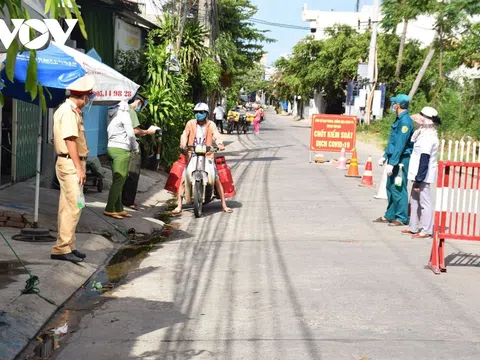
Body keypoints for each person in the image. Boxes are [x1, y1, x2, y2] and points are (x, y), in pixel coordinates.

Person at [51, 75, 95, 263]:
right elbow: (70, 141)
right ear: (84, 96)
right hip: (70, 165)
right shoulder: (68, 112)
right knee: (74, 207)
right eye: (89, 96)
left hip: (71, 164)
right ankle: (62, 248)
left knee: (69, 206)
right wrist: (79, 168)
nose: (89, 100)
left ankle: (68, 245)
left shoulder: (72, 111)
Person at [173, 102, 233, 215]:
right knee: (183, 179)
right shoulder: (190, 123)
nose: (198, 115)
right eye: (196, 112)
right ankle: (179, 206)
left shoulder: (211, 125)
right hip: (193, 155)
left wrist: (220, 144)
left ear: (206, 114)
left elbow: (216, 135)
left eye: (201, 112)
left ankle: (224, 205)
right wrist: (183, 144)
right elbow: (184, 134)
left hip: (208, 156)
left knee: (216, 179)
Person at [374, 94, 414, 226]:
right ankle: (390, 215)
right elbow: (393, 142)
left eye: (394, 103)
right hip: (394, 157)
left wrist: (393, 162)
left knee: (398, 187)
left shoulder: (405, 122)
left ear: (398, 105)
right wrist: (385, 156)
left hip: (401, 159)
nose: (392, 105)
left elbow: (400, 145)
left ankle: (401, 217)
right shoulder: (399, 119)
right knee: (390, 187)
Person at [401, 106, 441, 238]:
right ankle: (413, 226)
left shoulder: (428, 138)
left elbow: (424, 160)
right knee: (414, 201)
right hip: (418, 174)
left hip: (423, 175)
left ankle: (427, 230)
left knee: (425, 203)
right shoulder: (422, 134)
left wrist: (419, 180)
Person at [121, 94, 158, 211]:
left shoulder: (121, 109)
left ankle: (122, 199)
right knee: (133, 174)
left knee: (122, 174)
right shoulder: (131, 111)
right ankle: (128, 201)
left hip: (121, 145)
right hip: (132, 146)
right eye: (141, 105)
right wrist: (148, 131)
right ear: (138, 102)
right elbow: (135, 130)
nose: (140, 108)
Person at [104, 100, 138, 219]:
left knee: (117, 178)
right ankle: (109, 208)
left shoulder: (110, 113)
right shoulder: (124, 114)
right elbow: (130, 134)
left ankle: (119, 208)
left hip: (111, 147)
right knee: (120, 180)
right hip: (121, 150)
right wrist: (135, 147)